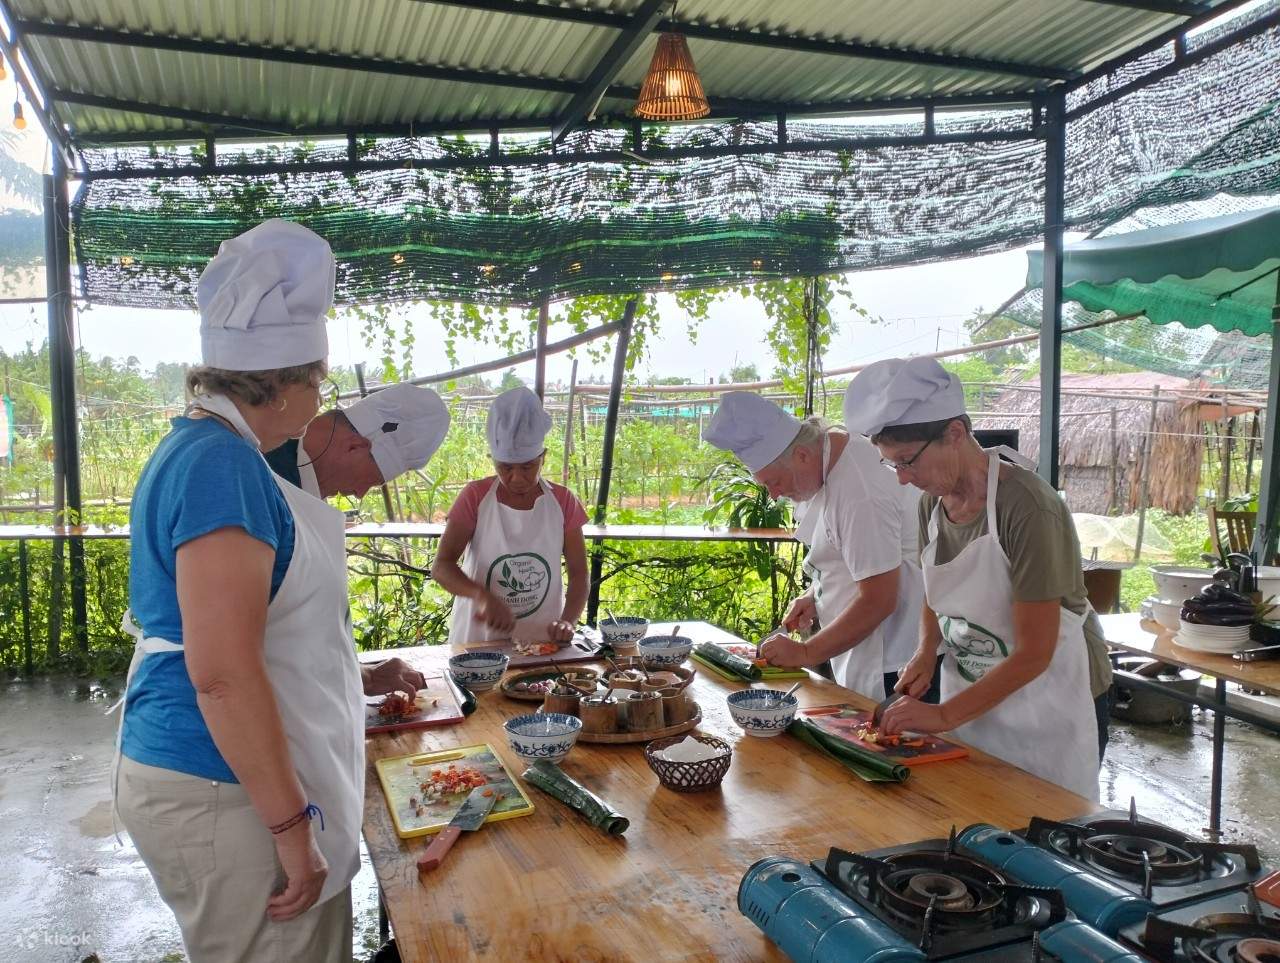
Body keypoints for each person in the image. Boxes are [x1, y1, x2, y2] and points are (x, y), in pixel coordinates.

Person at [112, 220, 425, 962]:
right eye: (316, 380)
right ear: (281, 383)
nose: (318, 400)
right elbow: (221, 672)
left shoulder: (205, 448)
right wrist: (293, 831)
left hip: (214, 776)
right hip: (219, 785)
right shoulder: (223, 465)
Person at [845, 356, 1109, 800]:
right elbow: (937, 588)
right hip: (975, 691)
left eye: (908, 462)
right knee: (976, 813)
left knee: (1044, 829)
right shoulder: (934, 503)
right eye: (894, 467)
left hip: (1052, 697)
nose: (905, 480)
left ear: (955, 433)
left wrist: (944, 717)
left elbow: (1035, 652)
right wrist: (926, 651)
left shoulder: (1026, 508)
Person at [703, 392, 930, 702]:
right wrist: (814, 594)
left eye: (775, 481)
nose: (773, 495)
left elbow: (880, 600)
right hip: (858, 648)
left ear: (802, 456)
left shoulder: (860, 493)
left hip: (893, 660)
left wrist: (806, 652)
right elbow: (845, 552)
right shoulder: (829, 457)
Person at [433, 386, 589, 644]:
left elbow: (579, 574)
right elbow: (442, 566)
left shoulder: (563, 502)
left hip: (543, 642)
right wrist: (481, 596)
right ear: (492, 459)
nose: (516, 478)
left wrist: (567, 621)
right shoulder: (475, 497)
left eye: (528, 467)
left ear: (543, 458)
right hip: (479, 643)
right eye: (505, 467)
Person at [263, 382, 450, 500]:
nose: (360, 494)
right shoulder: (267, 471)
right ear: (355, 446)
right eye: (373, 481)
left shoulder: (296, 477)